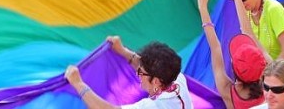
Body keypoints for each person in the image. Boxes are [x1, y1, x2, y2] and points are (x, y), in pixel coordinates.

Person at [65, 37, 194, 109]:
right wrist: (122, 50)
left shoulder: (153, 107)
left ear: (156, 81)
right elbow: (146, 65)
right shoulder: (176, 78)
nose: (137, 74)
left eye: (141, 73)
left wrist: (78, 84)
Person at [198, 0, 266, 109]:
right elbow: (248, 33)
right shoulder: (271, 87)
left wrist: (202, 6)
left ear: (234, 69)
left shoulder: (228, 92)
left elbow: (215, 48)